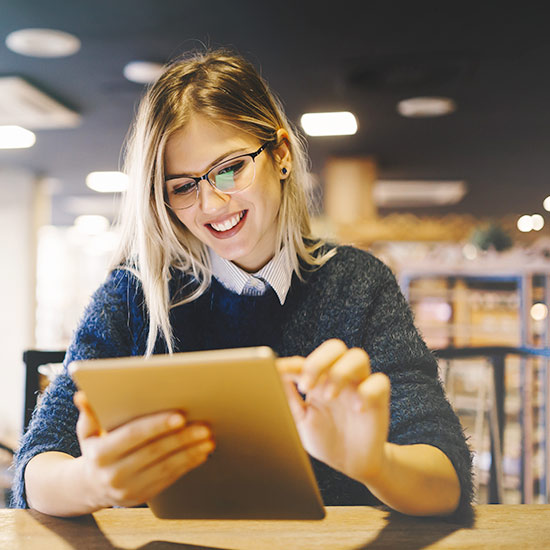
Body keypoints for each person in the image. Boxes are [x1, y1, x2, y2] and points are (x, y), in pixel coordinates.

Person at [11, 49, 472, 519]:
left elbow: (446, 479)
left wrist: (375, 463)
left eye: (230, 168)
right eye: (183, 186)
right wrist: (90, 481)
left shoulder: (358, 283)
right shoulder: (135, 294)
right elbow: (37, 466)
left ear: (282, 155)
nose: (212, 204)